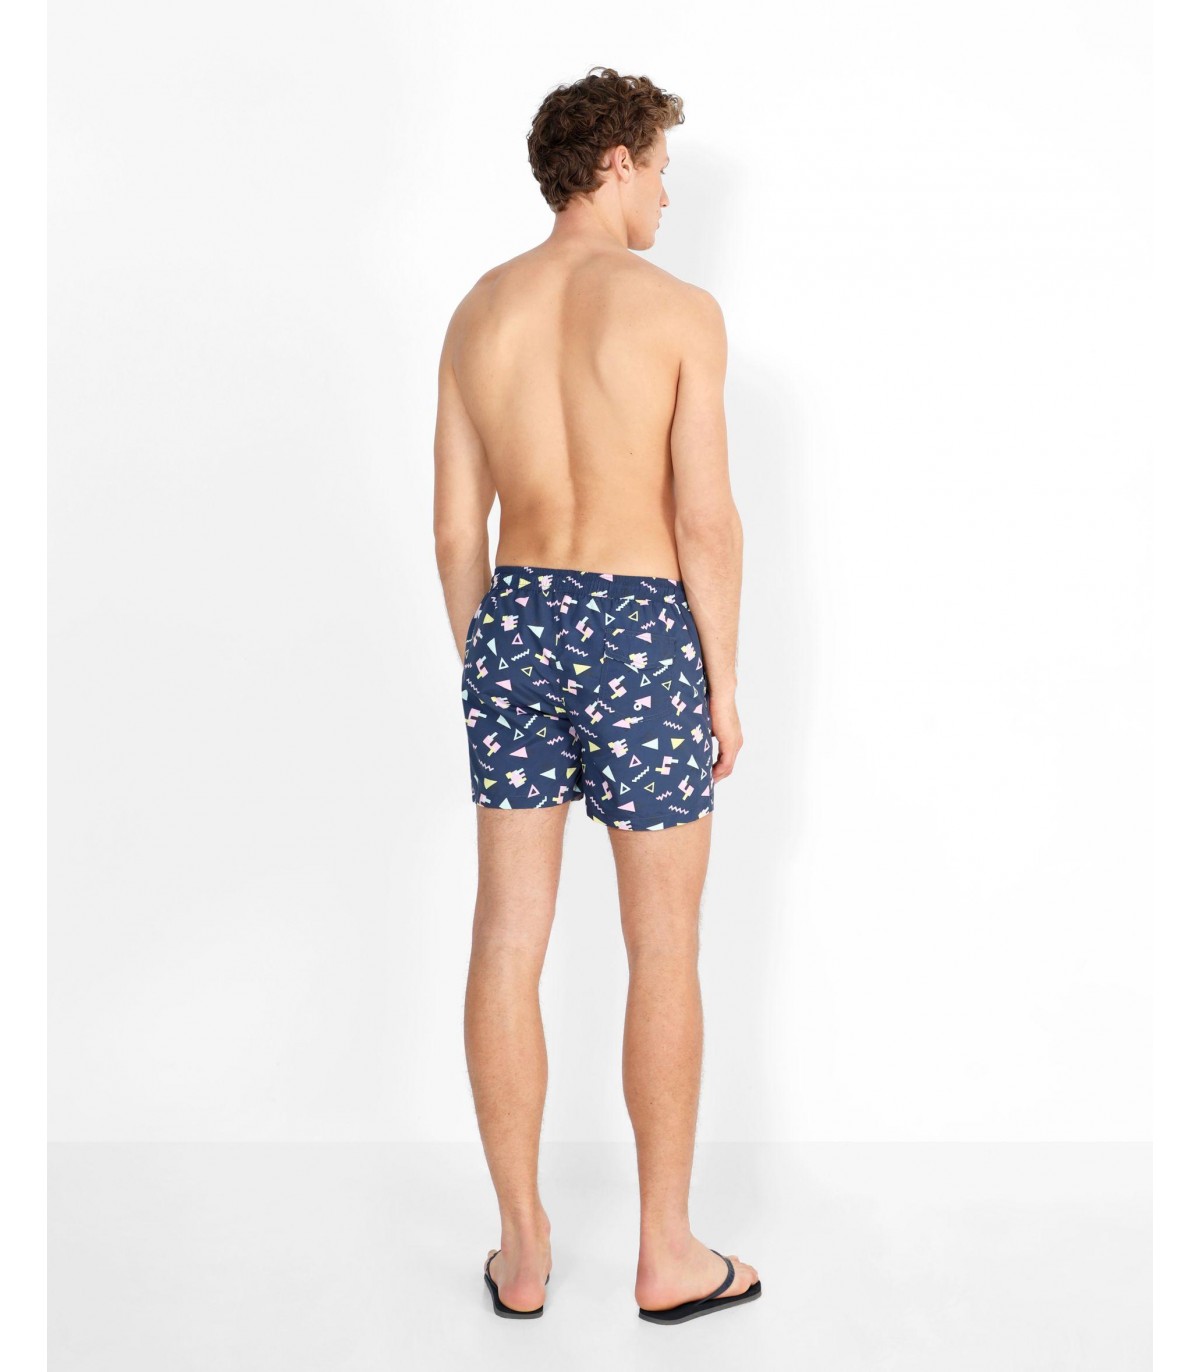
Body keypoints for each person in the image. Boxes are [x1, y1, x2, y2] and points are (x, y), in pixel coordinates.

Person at [433, 66, 759, 1324]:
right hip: (639, 626)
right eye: (662, 168)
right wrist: (721, 683)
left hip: (513, 616)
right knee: (662, 940)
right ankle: (667, 1255)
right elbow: (704, 521)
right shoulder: (677, 312)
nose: (669, 195)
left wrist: (490, 659)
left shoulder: (479, 311)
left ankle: (521, 1250)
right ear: (614, 161)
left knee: (505, 936)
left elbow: (455, 529)